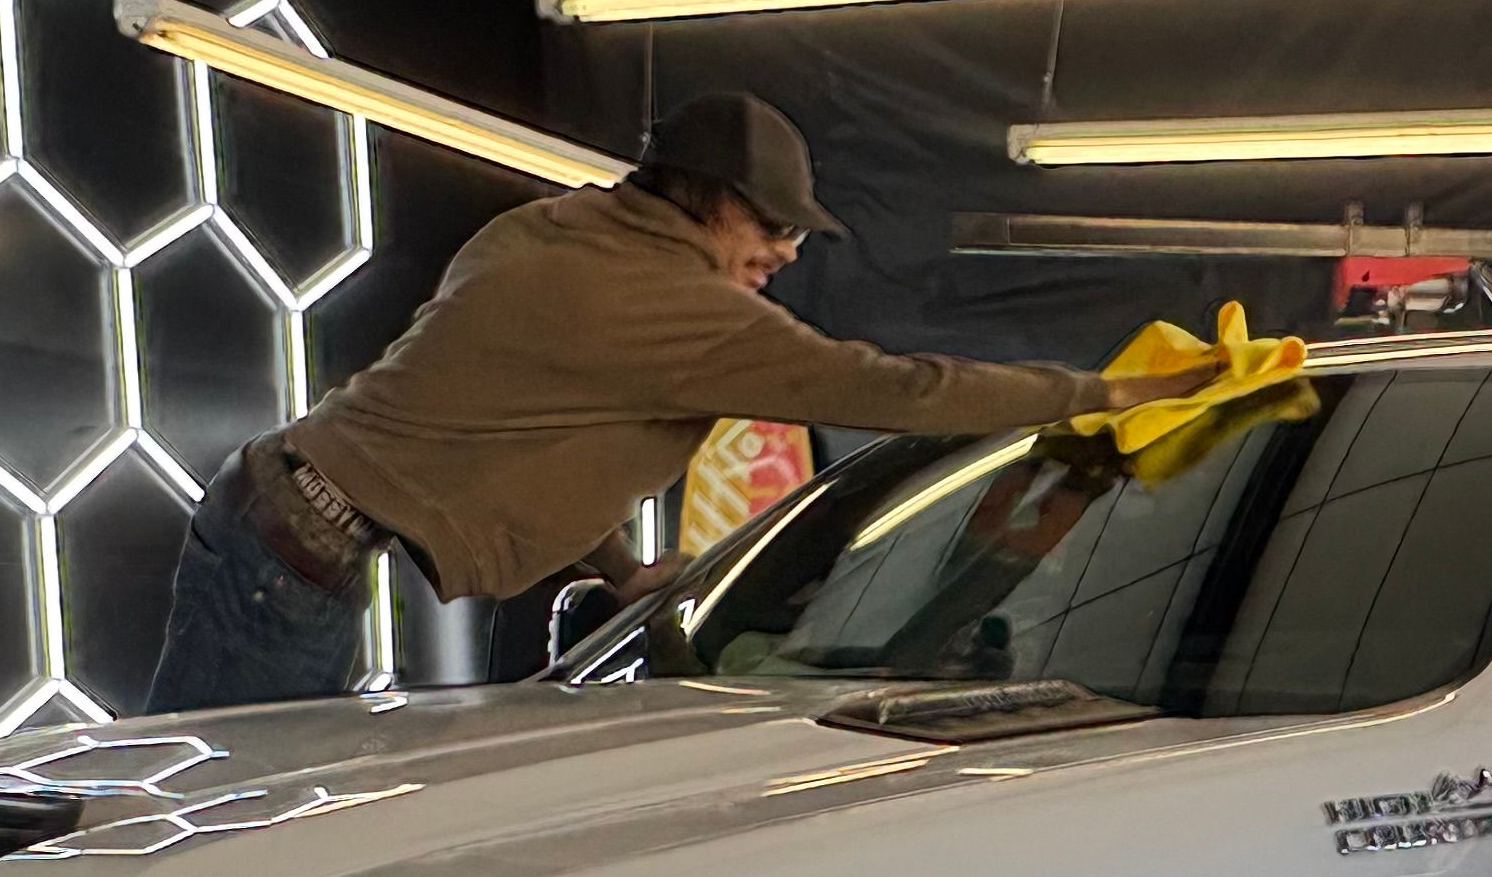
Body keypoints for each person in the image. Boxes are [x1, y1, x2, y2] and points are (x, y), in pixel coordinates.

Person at [141, 92, 1221, 711]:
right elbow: (895, 388)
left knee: (217, 812)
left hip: (278, 524)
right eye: (775, 226)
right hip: (291, 560)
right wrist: (1109, 391)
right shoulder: (669, 305)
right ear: (709, 202)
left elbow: (522, 435)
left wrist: (621, 572)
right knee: (215, 832)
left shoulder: (555, 231)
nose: (786, 253)